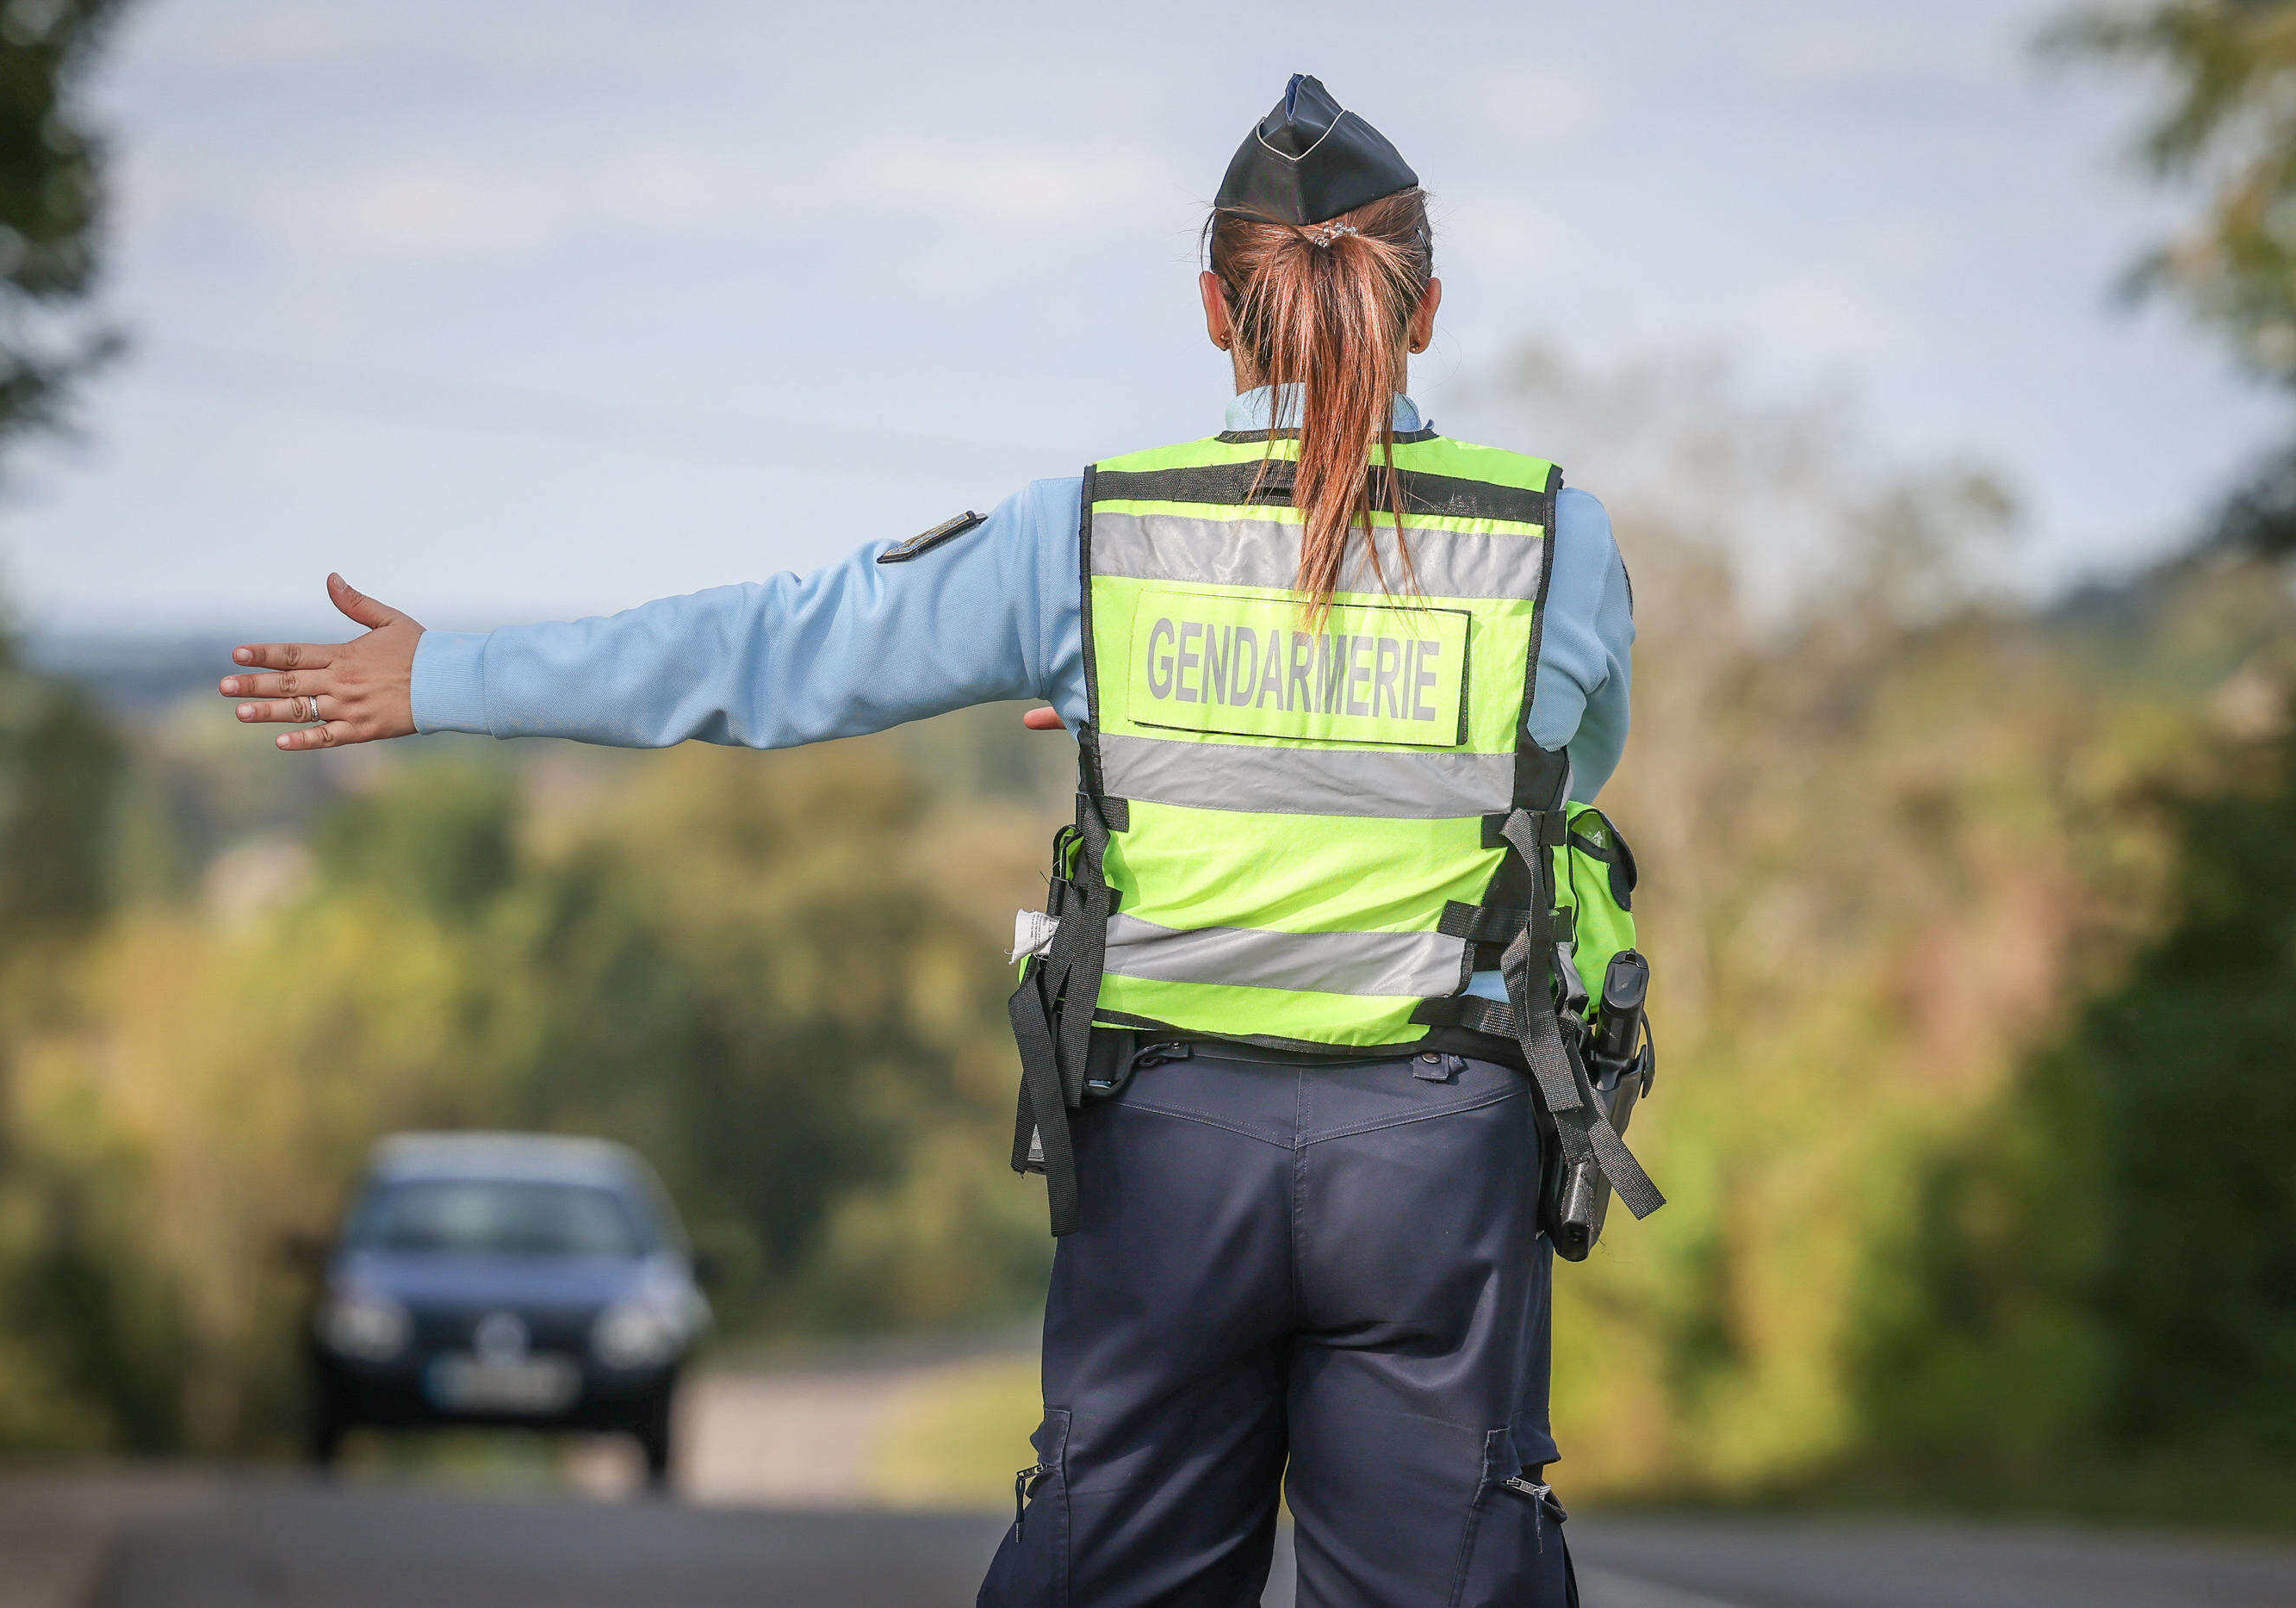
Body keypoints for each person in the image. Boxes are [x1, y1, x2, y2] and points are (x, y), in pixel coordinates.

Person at [220, 74, 1640, 1608]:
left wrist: (448, 675)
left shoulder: (1085, 539)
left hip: (1170, 1163)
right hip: (1437, 1162)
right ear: (1423, 311)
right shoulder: (1555, 542)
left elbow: (774, 655)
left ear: (1212, 311)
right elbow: (1552, 781)